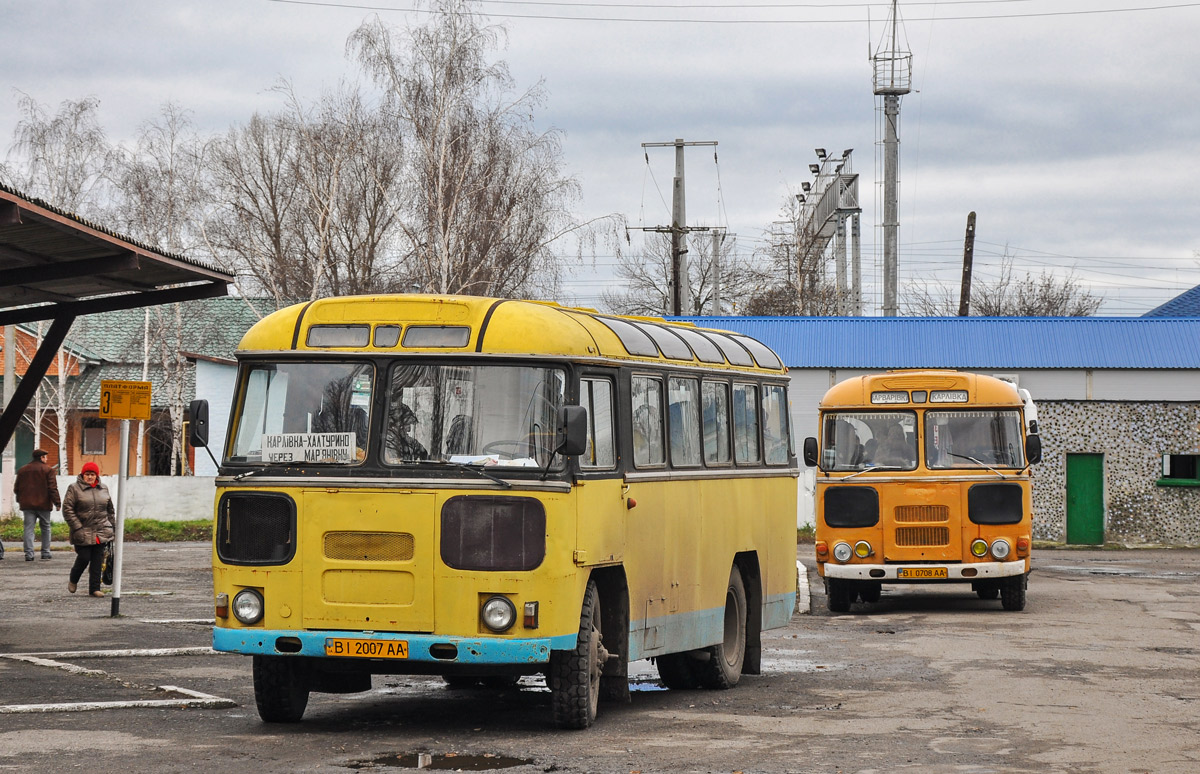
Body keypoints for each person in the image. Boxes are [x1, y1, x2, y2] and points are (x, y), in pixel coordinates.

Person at [62, 462, 114, 598]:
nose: (90, 477)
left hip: (101, 530)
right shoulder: (74, 488)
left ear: (97, 475)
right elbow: (67, 509)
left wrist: (112, 527)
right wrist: (77, 527)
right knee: (84, 557)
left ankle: (95, 589)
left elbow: (110, 510)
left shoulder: (104, 488)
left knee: (97, 560)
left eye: (92, 474)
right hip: (82, 531)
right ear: (82, 475)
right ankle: (74, 578)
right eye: (87, 474)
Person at [15, 448, 61, 561]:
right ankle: (45, 552)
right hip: (44, 505)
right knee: (46, 528)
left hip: (27, 505)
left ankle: (29, 554)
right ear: (41, 457)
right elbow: (52, 488)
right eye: (46, 457)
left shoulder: (22, 470)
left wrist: (20, 500)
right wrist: (57, 502)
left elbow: (17, 488)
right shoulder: (48, 470)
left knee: (28, 529)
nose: (47, 459)